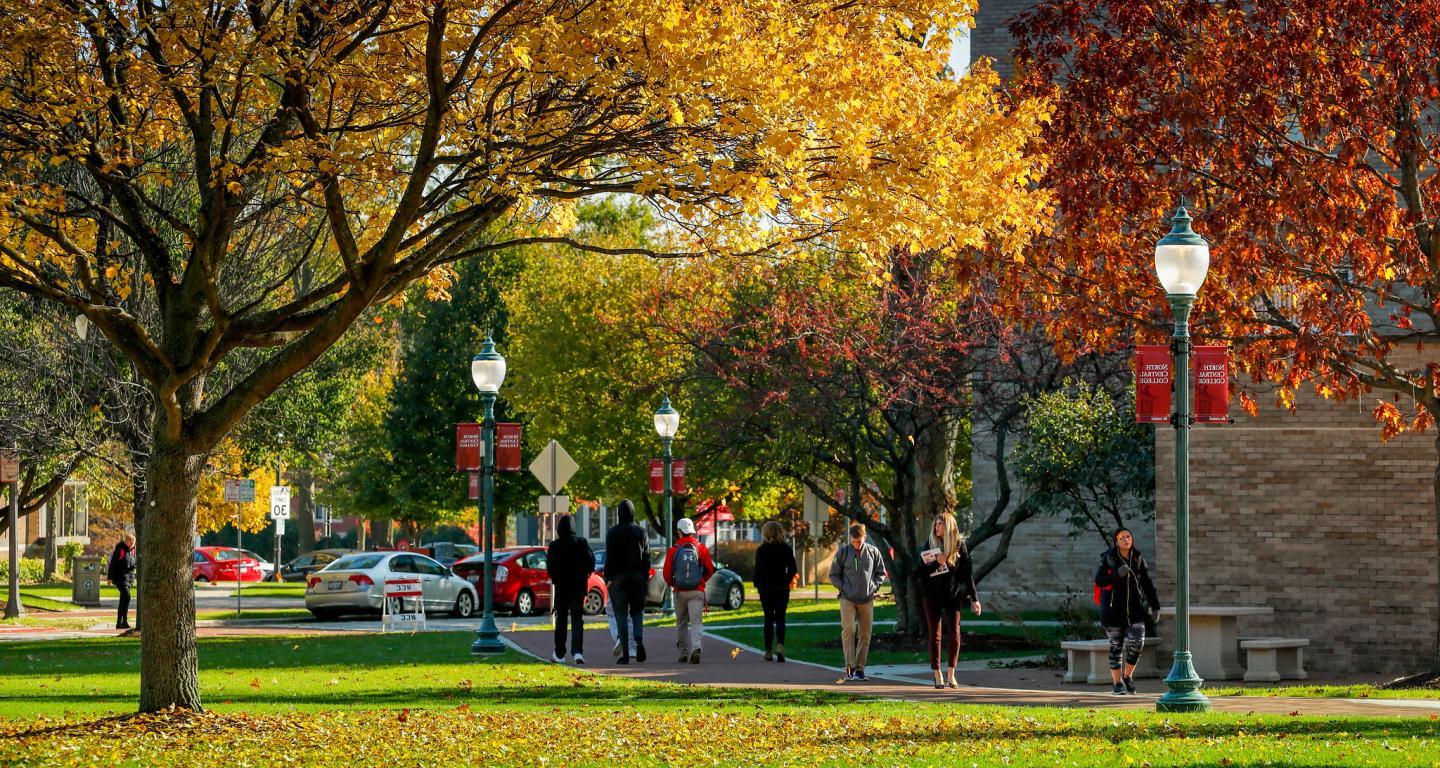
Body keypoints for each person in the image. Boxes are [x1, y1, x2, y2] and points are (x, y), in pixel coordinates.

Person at [1094, 527, 1160, 695]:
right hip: (1112, 610)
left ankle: (1127, 676)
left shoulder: (1138, 558)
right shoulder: (1108, 558)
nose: (1126, 540)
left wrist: (1155, 606)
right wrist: (1117, 574)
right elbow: (1100, 581)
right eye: (1122, 538)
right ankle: (1117, 684)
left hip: (1135, 610)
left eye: (1128, 536)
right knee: (1116, 647)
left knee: (1137, 644)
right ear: (1116, 541)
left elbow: (1147, 583)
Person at [919, 512, 982, 689]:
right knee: (935, 635)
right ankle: (937, 673)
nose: (936, 527)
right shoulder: (929, 544)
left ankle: (951, 672)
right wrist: (936, 563)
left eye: (940, 524)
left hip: (952, 596)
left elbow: (967, 575)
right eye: (936, 523)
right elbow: (920, 572)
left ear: (949, 527)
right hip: (931, 596)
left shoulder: (959, 546)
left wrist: (974, 599)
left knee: (954, 634)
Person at [829, 523, 886, 681]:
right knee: (849, 630)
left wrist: (873, 587)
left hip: (867, 599)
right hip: (848, 599)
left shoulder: (873, 552)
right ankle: (850, 667)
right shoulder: (843, 552)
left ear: (865, 538)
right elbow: (833, 575)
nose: (856, 545)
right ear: (850, 539)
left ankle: (860, 669)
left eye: (859, 542)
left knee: (865, 634)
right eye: (854, 542)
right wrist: (843, 588)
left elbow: (881, 573)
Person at [663, 517, 715, 664]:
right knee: (697, 622)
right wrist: (701, 581)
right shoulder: (701, 548)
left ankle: (683, 652)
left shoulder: (674, 550)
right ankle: (696, 648)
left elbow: (666, 573)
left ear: (679, 532)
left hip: (680, 591)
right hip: (696, 591)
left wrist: (674, 584)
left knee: (681, 623)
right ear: (691, 531)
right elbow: (710, 570)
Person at [603, 499, 649, 664]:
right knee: (637, 613)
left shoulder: (612, 533)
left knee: (621, 615)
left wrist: (607, 578)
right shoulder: (641, 532)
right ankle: (639, 641)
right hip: (637, 578)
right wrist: (644, 578)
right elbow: (646, 558)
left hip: (619, 579)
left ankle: (625, 653)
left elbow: (609, 559)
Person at [546, 515, 596, 664]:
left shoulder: (554, 546)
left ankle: (560, 652)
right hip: (578, 587)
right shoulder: (581, 543)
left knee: (561, 619)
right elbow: (590, 561)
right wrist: (585, 573)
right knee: (577, 619)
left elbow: (550, 568)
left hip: (562, 588)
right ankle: (577, 652)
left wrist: (556, 579)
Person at [753, 520, 798, 662]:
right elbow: (793, 568)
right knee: (780, 617)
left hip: (765, 588)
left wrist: (757, 583)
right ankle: (780, 646)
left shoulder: (761, 550)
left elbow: (758, 570)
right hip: (781, 588)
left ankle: (768, 650)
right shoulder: (786, 548)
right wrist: (786, 580)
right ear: (780, 532)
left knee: (768, 618)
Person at [106, 531, 136, 631]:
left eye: (133, 543)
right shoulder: (120, 549)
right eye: (130, 542)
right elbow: (113, 563)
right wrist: (109, 578)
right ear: (126, 541)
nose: (132, 544)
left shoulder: (131, 551)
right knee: (127, 596)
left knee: (123, 599)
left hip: (128, 579)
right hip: (120, 578)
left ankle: (121, 622)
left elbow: (131, 564)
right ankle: (122, 621)